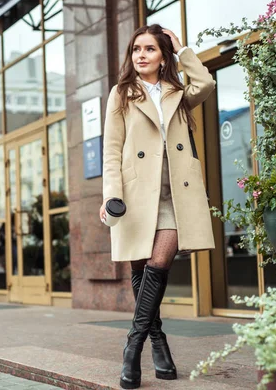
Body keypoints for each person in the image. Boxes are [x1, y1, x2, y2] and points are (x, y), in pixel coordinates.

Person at [98, 24, 216, 389]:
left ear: (162, 56)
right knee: (141, 270)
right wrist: (111, 195)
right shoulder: (121, 94)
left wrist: (182, 49)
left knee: (158, 263)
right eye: (136, 49)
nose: (141, 55)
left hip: (175, 194)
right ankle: (159, 343)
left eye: (150, 48)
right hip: (136, 195)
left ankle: (133, 346)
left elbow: (206, 85)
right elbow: (112, 151)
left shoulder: (177, 93)